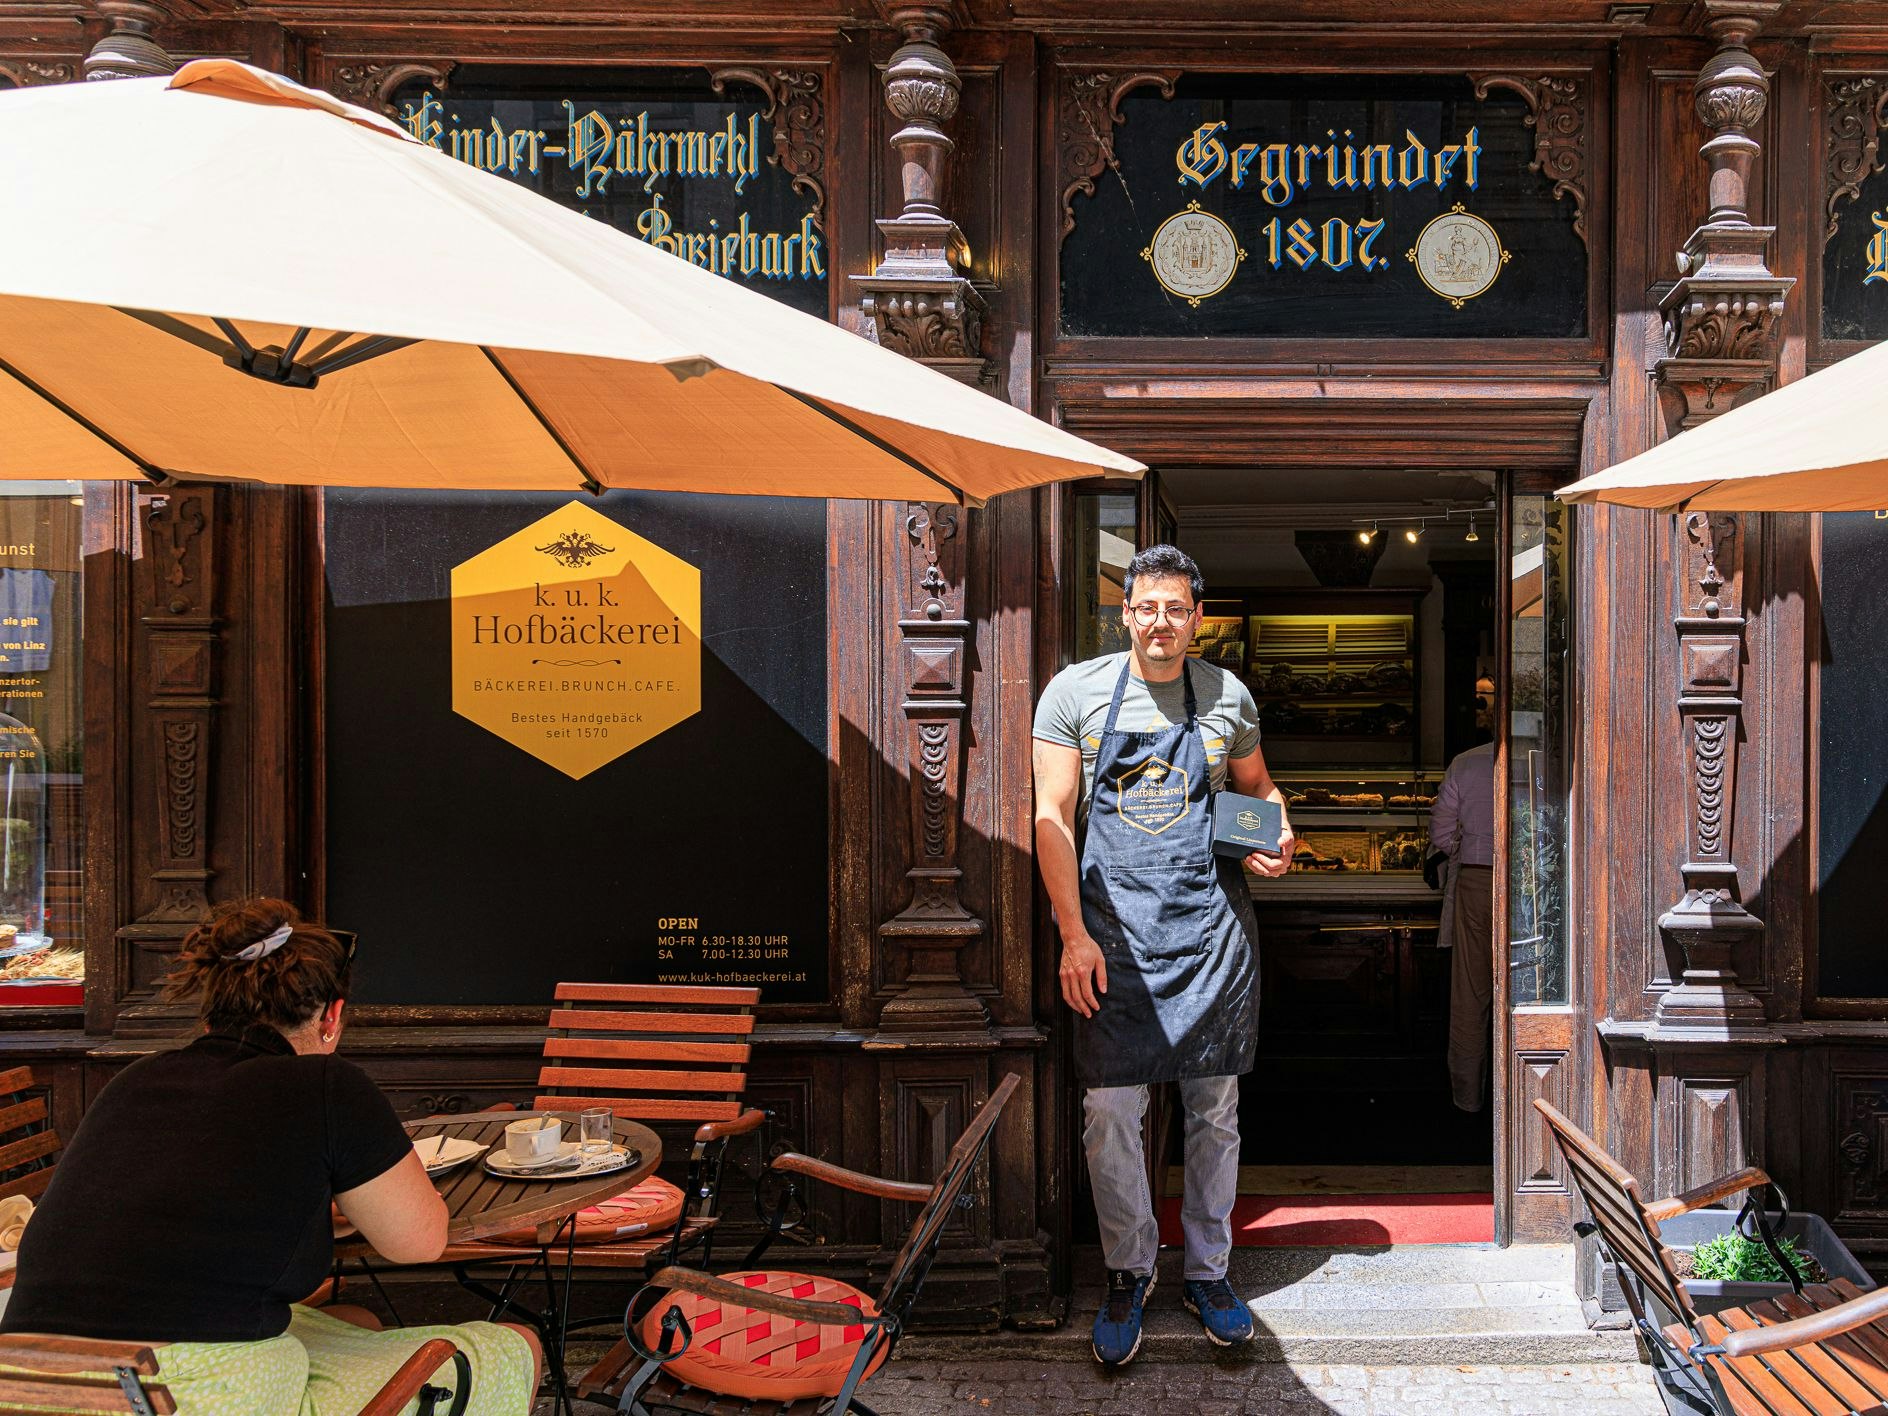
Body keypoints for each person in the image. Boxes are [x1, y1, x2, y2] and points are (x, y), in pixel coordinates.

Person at [0, 898, 541, 1414]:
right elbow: (418, 1242)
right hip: (176, 1394)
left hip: (29, 1379)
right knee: (514, 1344)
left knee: (353, 1320)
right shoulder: (326, 1084)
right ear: (332, 1017)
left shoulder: (135, 1080)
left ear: (212, 1014)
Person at [1032, 544, 1293, 1367]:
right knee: (1110, 1113)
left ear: (1196, 618)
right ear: (1125, 612)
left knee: (1215, 1110)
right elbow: (1052, 816)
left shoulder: (1227, 696)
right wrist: (1073, 936)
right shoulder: (1075, 693)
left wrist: (1276, 837)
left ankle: (1209, 1273)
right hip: (1110, 937)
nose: (1160, 623)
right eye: (1146, 608)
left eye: (1176, 610)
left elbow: (1260, 790)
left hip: (1209, 931)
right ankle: (1129, 1270)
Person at [1428, 742, 1497, 1113]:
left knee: (1470, 994)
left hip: (1477, 880)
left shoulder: (1465, 761)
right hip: (1533, 883)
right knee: (1532, 995)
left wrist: (1467, 845)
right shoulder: (1545, 755)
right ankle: (1524, 1101)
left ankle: (1468, 1101)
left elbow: (1440, 831)